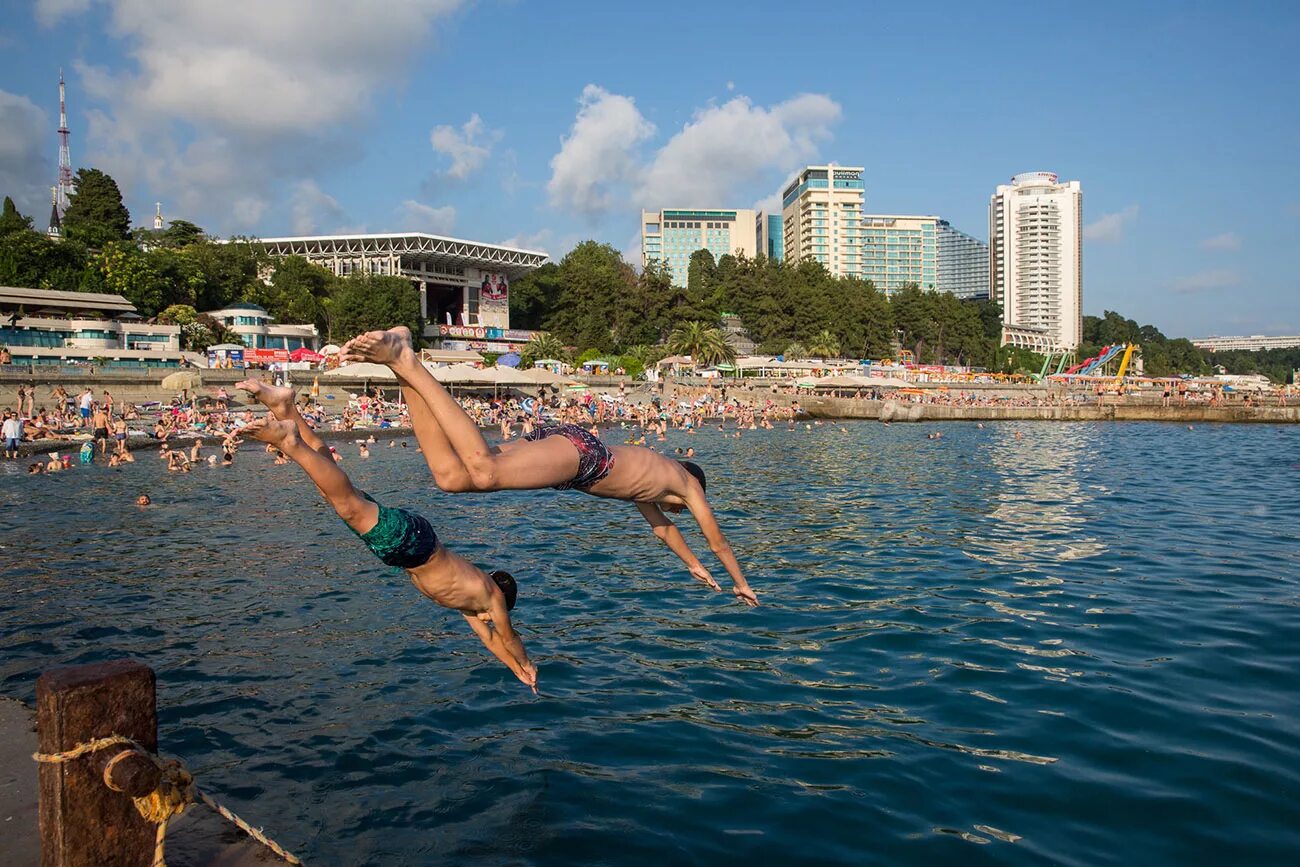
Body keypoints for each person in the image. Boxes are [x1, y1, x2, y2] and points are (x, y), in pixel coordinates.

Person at [340, 328, 758, 606]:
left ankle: (402, 366)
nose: (678, 511)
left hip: (572, 453)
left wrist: (692, 566)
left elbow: (662, 529)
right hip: (585, 457)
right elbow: (717, 539)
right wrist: (740, 581)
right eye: (684, 507)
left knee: (452, 478)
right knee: (485, 471)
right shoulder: (686, 483)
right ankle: (408, 360)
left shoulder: (652, 488)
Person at [236, 408, 538, 692]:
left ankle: (287, 411)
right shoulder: (491, 597)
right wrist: (525, 661)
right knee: (347, 505)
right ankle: (290, 442)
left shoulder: (471, 604)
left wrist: (517, 671)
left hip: (409, 546)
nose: (491, 625)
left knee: (335, 493)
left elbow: (490, 642)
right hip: (411, 544)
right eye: (495, 619)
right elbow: (507, 638)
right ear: (503, 599)